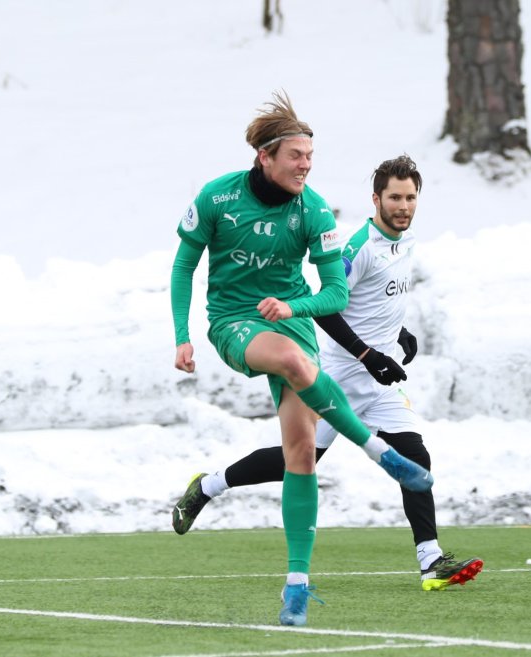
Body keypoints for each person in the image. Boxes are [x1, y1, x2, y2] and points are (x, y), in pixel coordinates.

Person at [170, 93, 432, 627]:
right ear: (265, 156)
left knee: (301, 456)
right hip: (235, 320)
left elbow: (334, 294)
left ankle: (295, 587)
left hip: (291, 320)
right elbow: (183, 267)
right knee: (291, 360)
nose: (306, 165)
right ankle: (377, 450)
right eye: (296, 155)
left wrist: (295, 306)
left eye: (310, 156)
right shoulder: (217, 197)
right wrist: (182, 336)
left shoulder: (314, 210)